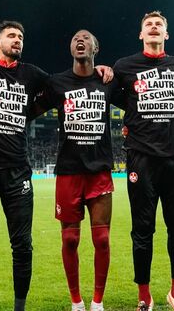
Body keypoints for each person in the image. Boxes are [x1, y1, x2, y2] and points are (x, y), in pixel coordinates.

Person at [0, 21, 111, 311]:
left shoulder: (33, 74)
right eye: (11, 36)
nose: (17, 40)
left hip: (17, 173)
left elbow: (67, 84)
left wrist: (98, 71)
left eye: (21, 37)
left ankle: (20, 308)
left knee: (22, 247)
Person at [112, 11, 174, 311]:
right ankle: (144, 296)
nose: (154, 27)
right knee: (142, 229)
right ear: (141, 34)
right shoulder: (124, 66)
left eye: (159, 24)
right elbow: (111, 95)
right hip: (141, 157)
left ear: (166, 35)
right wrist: (131, 112)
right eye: (148, 24)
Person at [34, 29, 115, 311]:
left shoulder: (107, 81)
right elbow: (30, 110)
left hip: (100, 171)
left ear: (96, 47)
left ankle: (97, 302)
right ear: (71, 48)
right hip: (68, 171)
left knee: (102, 239)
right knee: (70, 239)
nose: (80, 40)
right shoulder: (57, 84)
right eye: (75, 38)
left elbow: (136, 102)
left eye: (86, 38)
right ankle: (77, 302)